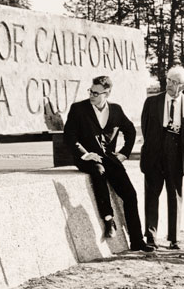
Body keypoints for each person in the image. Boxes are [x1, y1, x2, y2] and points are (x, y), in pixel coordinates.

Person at [63, 75, 153, 251]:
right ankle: (108, 219)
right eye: (91, 91)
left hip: (110, 158)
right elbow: (70, 137)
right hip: (86, 159)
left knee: (130, 194)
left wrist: (124, 154)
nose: (92, 96)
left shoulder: (116, 110)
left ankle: (137, 241)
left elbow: (130, 132)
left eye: (96, 93)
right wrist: (85, 154)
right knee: (98, 170)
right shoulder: (78, 109)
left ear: (107, 93)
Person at [140, 65, 184, 249]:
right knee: (151, 195)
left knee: (175, 196)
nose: (170, 85)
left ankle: (174, 238)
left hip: (175, 155)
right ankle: (150, 237)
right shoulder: (151, 102)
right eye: (169, 80)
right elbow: (145, 127)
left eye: (175, 82)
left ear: (183, 86)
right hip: (154, 154)